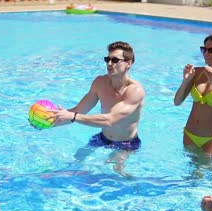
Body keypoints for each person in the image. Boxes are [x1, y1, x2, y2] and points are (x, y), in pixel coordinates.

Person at [51, 41, 145, 175]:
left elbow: (110, 120)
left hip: (126, 144)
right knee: (77, 159)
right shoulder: (100, 83)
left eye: (115, 60)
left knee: (116, 170)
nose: (109, 63)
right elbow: (79, 109)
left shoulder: (135, 91)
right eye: (108, 59)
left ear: (128, 63)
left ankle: (136, 188)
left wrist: (74, 117)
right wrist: (49, 122)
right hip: (103, 137)